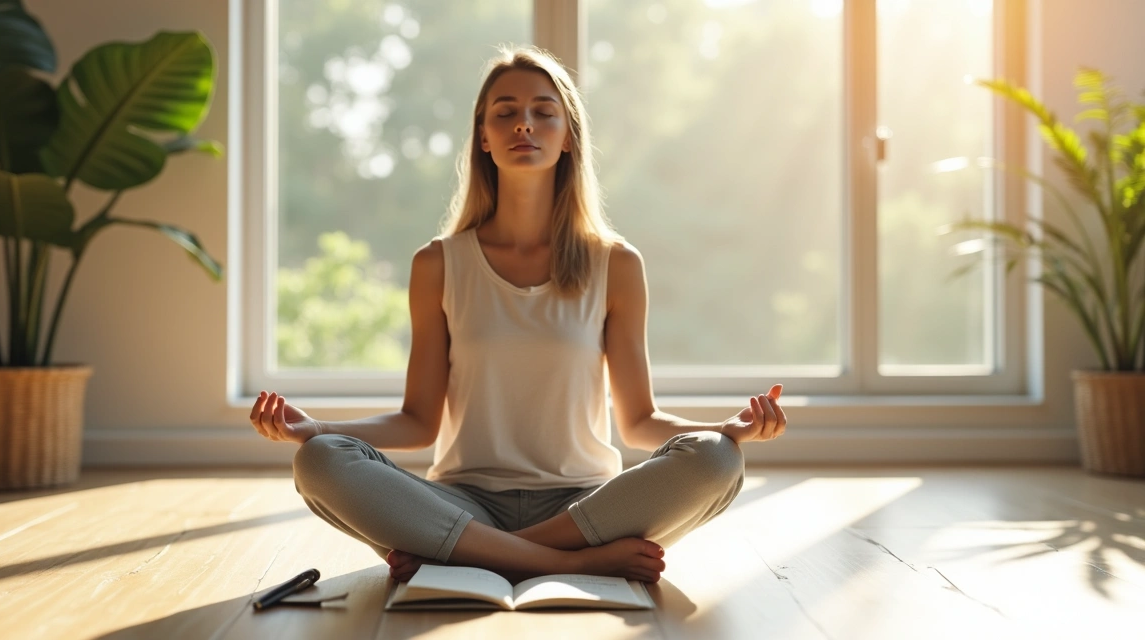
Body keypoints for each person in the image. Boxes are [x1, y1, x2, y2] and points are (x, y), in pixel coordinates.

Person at [248, 45, 787, 585]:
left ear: (568, 135)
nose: (523, 124)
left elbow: (638, 421)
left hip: (584, 507)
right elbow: (417, 422)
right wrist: (314, 428)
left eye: (543, 112)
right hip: (467, 501)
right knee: (319, 461)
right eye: (505, 112)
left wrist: (725, 430)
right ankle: (561, 564)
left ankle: (468, 553)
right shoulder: (438, 263)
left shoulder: (615, 264)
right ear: (483, 136)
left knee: (718, 460)